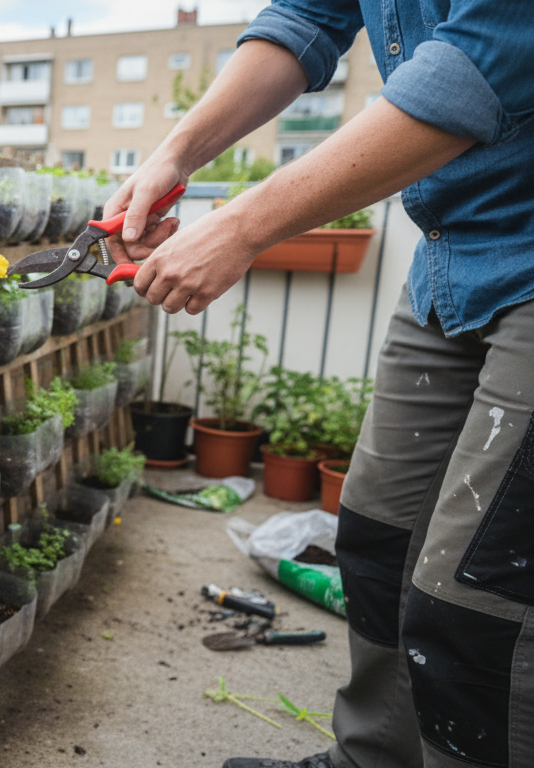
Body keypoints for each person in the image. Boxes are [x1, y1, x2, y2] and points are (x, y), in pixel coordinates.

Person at [103, 2, 534, 767]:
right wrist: (176, 153)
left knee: (477, 601)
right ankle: (374, 757)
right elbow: (307, 17)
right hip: (451, 254)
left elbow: (485, 60)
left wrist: (240, 228)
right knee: (376, 537)